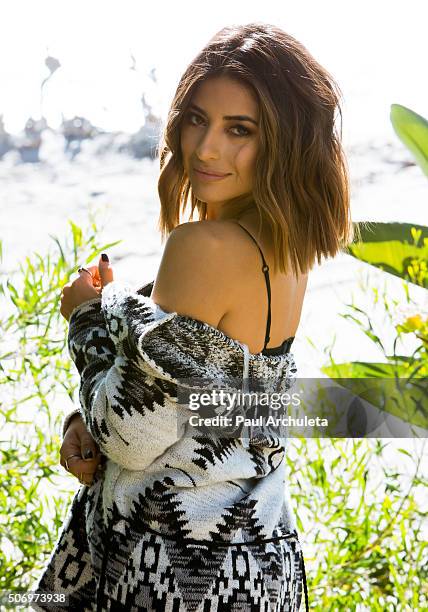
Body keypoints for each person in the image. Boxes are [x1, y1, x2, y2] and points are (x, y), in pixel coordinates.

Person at [33, 22, 353, 611]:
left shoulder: (201, 247)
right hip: (262, 558)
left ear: (284, 142)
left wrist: (86, 321)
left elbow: (132, 436)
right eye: (197, 119)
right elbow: (224, 403)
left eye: (240, 130)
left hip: (176, 571)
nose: (206, 148)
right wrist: (89, 415)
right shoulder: (286, 249)